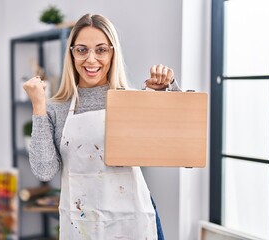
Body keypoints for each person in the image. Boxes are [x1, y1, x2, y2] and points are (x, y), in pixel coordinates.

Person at [23, 13, 181, 240]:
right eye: (82, 50)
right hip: (81, 225)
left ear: (112, 52)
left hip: (133, 220)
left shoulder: (131, 99)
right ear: (72, 54)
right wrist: (39, 106)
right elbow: (44, 171)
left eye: (100, 50)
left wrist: (169, 87)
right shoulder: (56, 108)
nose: (91, 59)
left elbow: (179, 140)